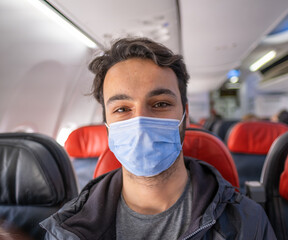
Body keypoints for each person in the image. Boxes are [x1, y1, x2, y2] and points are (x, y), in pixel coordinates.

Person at [40, 38, 276, 239]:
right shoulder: (67, 229)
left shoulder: (246, 222)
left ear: (185, 115)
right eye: (122, 109)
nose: (141, 122)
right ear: (107, 125)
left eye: (161, 104)